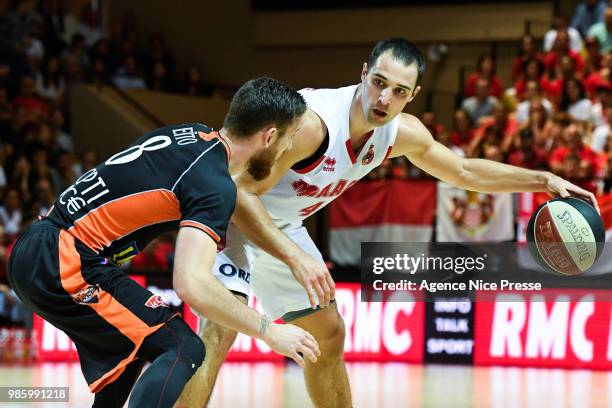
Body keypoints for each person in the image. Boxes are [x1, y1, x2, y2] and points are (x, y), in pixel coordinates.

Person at [178, 39, 600, 408]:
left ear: (412, 95)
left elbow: (464, 172)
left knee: (328, 336)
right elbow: (240, 192)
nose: (383, 98)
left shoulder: (398, 133)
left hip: (281, 223)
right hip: (232, 212)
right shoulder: (313, 127)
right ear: (364, 73)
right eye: (378, 82)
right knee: (216, 335)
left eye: (397, 91)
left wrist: (543, 180)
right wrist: (295, 257)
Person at [7, 77, 320, 408]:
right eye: (289, 140)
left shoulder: (188, 135)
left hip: (41, 245)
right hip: (64, 258)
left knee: (128, 352)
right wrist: (270, 331)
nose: (289, 150)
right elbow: (190, 283)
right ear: (270, 136)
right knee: (183, 347)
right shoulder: (214, 183)